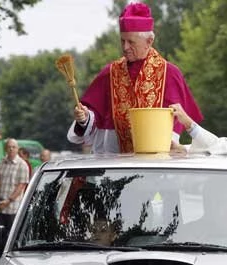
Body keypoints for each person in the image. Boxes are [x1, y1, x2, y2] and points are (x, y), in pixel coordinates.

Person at [67, 2, 203, 154]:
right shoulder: (109, 73)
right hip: (114, 165)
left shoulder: (170, 74)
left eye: (131, 42)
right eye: (122, 41)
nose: (125, 47)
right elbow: (92, 119)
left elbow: (184, 124)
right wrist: (84, 117)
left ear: (149, 42)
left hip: (159, 166)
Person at [0, 138, 30, 230]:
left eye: (14, 147)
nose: (11, 149)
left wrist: (8, 201)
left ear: (17, 149)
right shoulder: (1, 163)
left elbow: (21, 186)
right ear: (5, 149)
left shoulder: (22, 165)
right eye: (9, 147)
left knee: (10, 235)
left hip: (13, 208)